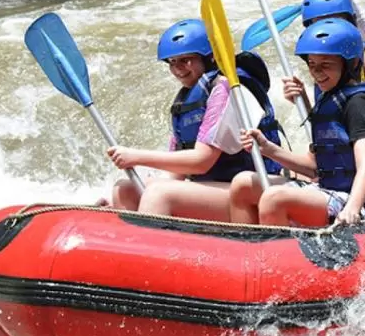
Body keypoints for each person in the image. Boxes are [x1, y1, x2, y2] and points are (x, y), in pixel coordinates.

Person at [229, 18, 365, 226]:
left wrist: (352, 209)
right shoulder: (329, 100)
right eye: (312, 65)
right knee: (243, 183)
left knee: (274, 198)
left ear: (353, 64)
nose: (316, 73)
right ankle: (250, 251)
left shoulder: (359, 104)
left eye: (325, 65)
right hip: (329, 192)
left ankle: (277, 256)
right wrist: (267, 148)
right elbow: (314, 169)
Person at [104, 19, 283, 217]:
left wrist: (136, 157)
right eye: (172, 62)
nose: (178, 68)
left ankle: (148, 243)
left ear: (208, 58)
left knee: (159, 194)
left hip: (251, 189)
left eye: (186, 59)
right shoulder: (188, 100)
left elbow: (201, 162)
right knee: (126, 188)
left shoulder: (225, 89)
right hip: (218, 188)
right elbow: (176, 175)